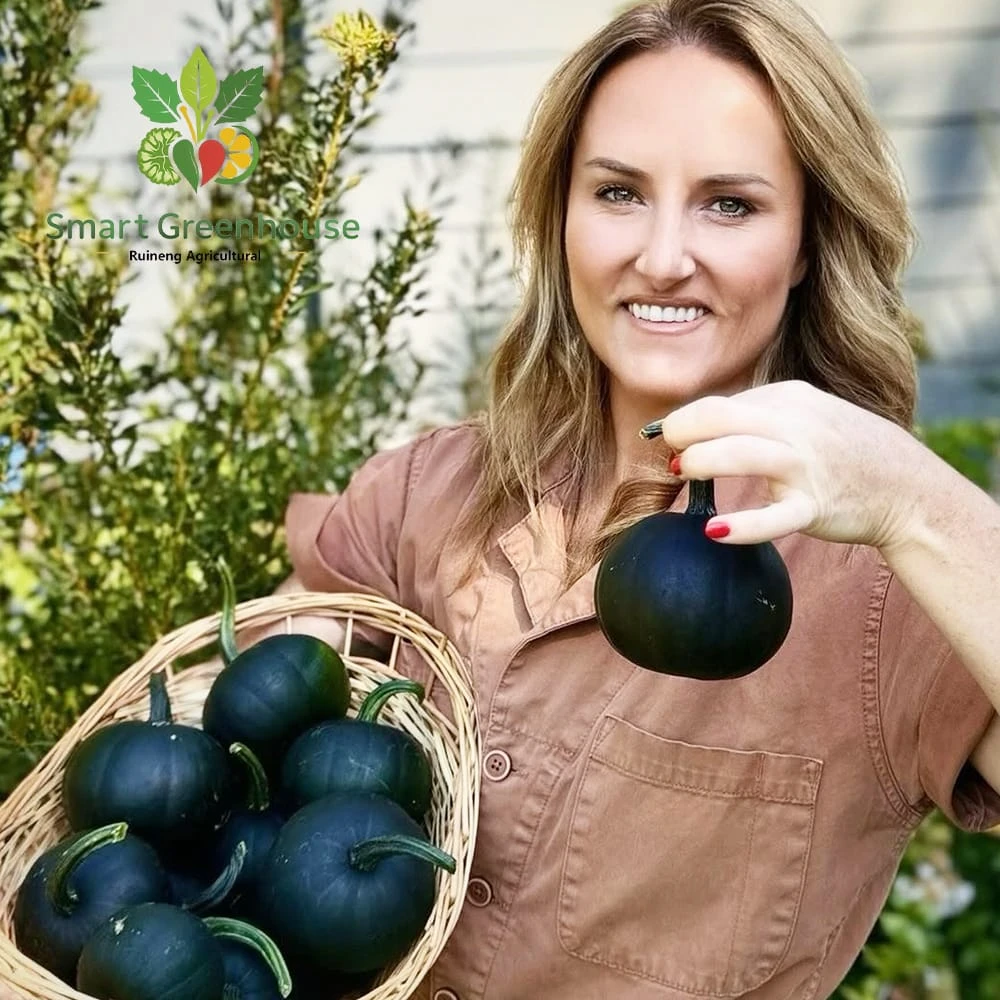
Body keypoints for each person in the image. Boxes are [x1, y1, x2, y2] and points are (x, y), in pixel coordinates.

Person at [271, 1, 1000, 997]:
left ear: (804, 243)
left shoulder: (887, 590)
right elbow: (241, 743)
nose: (660, 257)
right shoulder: (419, 497)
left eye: (729, 204)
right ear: (559, 214)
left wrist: (912, 500)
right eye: (617, 192)